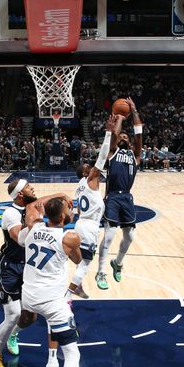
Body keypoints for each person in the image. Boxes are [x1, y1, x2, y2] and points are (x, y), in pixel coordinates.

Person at [18, 196, 90, 367]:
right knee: (72, 354)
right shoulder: (69, 237)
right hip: (51, 301)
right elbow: (79, 260)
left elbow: (30, 208)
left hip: (27, 294)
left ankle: (16, 333)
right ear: (62, 217)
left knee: (28, 319)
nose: (72, 210)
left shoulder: (34, 226)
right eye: (70, 208)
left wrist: (49, 202)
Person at [0, 179, 67, 367]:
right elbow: (21, 239)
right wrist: (38, 223)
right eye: (28, 187)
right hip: (9, 267)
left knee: (30, 316)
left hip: (28, 267)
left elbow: (42, 201)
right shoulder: (11, 213)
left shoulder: (32, 207)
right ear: (20, 194)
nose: (33, 188)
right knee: (14, 314)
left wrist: (62, 195)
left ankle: (13, 335)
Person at [66, 115, 117, 301]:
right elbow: (102, 156)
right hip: (89, 227)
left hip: (80, 224)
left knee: (81, 260)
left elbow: (76, 211)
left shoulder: (78, 187)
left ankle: (75, 283)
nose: (90, 165)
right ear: (86, 172)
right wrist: (108, 132)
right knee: (85, 263)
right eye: (88, 166)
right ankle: (69, 294)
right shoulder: (91, 179)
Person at [95, 98, 143, 290]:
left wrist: (135, 111)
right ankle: (101, 272)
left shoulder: (136, 156)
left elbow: (139, 134)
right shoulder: (112, 152)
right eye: (121, 136)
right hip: (113, 196)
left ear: (130, 143)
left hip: (127, 197)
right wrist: (121, 118)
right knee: (109, 235)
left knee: (130, 237)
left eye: (126, 137)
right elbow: (114, 135)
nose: (123, 137)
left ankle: (118, 263)